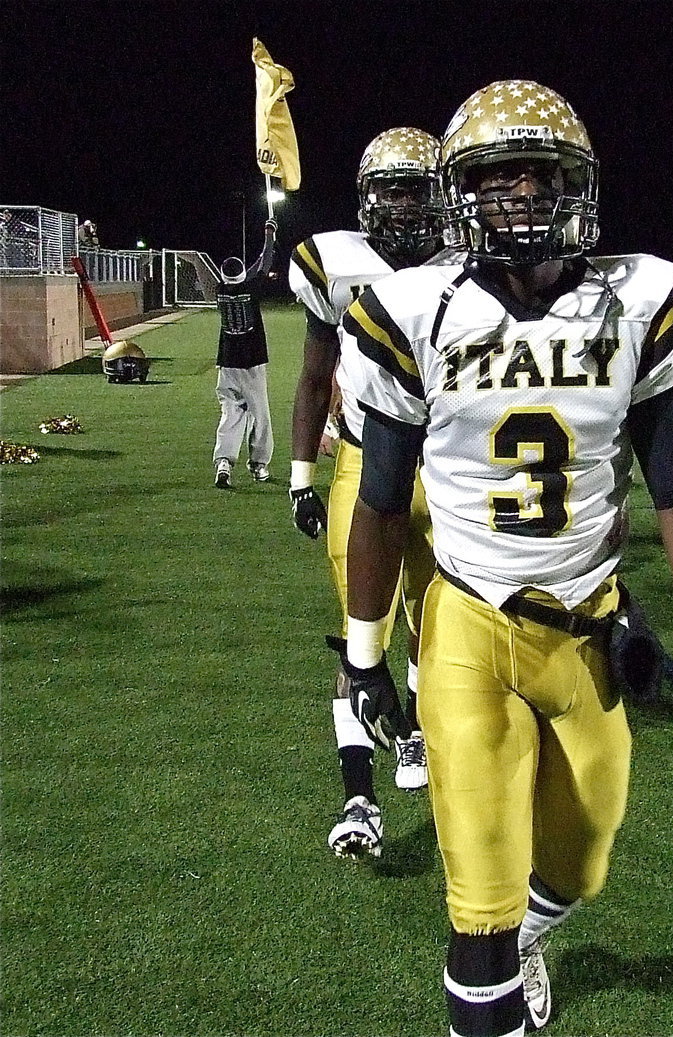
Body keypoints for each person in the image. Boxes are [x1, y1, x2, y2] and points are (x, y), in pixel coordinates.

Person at [336, 79, 673, 1037]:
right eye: (497, 176)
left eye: (541, 174)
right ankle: (494, 968)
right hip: (469, 623)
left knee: (582, 858)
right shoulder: (414, 310)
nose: (521, 196)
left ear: (581, 186)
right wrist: (363, 658)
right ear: (462, 195)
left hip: (587, 622)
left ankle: (532, 933)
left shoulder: (634, 301)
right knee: (479, 904)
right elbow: (378, 503)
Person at [287, 127, 445, 857]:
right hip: (362, 463)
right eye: (395, 189)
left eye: (420, 187)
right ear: (367, 198)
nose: (408, 205)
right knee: (361, 629)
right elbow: (316, 375)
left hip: (446, 468)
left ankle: (412, 731)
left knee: (438, 625)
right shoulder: (334, 264)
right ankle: (358, 795)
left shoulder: (469, 264)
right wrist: (300, 475)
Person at [213, 218, 277, 488]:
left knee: (230, 413)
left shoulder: (220, 290)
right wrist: (269, 235)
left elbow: (253, 269)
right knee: (260, 415)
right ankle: (259, 464)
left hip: (227, 364)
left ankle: (224, 461)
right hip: (251, 364)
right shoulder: (251, 289)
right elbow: (263, 264)